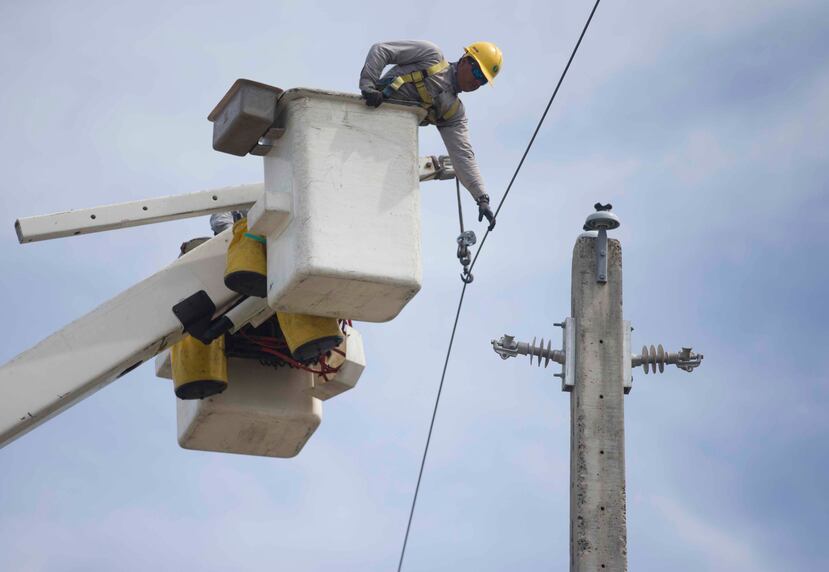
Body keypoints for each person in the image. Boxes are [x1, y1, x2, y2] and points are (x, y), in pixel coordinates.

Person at [359, 40, 502, 230]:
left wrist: (481, 198)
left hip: (386, 138)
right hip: (367, 114)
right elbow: (382, 50)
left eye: (483, 81)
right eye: (477, 73)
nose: (477, 82)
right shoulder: (431, 56)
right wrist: (368, 86)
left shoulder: (453, 111)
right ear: (465, 60)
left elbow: (463, 155)